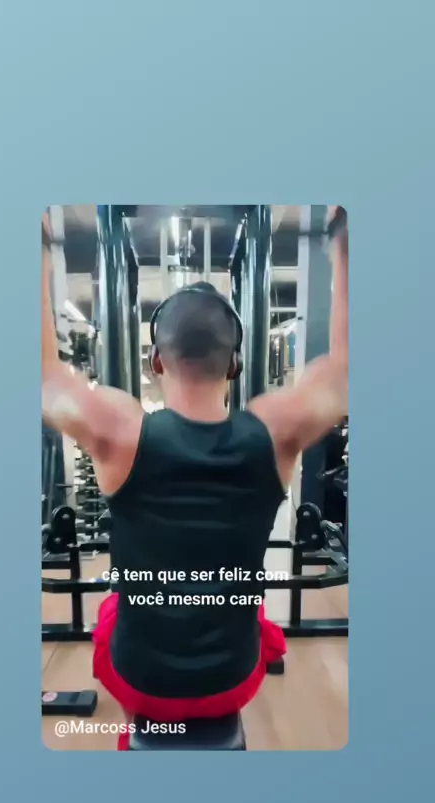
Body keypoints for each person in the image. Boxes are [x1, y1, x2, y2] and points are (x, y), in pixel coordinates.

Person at [42, 207, 348, 749]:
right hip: (233, 679)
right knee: (254, 619)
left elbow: (44, 380)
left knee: (114, 607)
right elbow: (345, 373)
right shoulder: (274, 431)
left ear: (156, 361)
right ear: (234, 364)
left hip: (139, 677)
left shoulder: (119, 430)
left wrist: (39, 249)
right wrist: (344, 243)